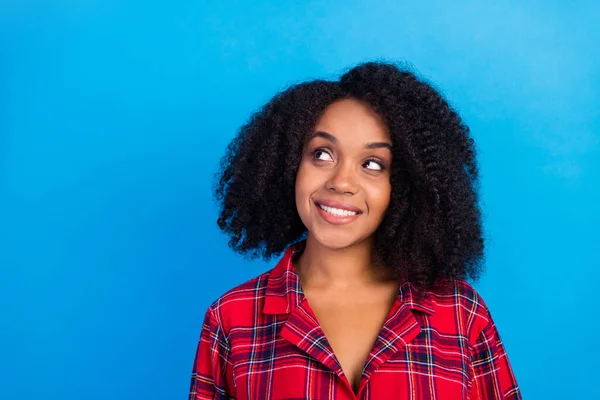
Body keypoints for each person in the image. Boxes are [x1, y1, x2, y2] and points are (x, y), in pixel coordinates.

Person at [188, 62, 522, 400]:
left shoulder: (461, 314)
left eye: (373, 164)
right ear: (288, 165)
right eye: (322, 154)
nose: (341, 182)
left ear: (404, 185)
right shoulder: (232, 319)